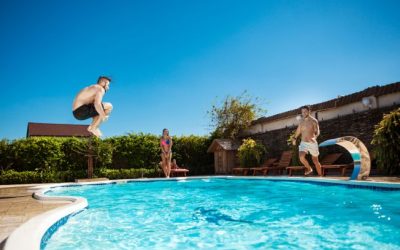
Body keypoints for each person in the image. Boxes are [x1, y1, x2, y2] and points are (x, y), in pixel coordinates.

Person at [292, 105, 322, 176]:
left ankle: (321, 176)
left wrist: (315, 137)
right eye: (302, 112)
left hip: (312, 143)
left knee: (315, 161)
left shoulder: (314, 121)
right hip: (303, 143)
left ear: (309, 111)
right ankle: (309, 168)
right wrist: (294, 138)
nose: (304, 113)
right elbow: (298, 131)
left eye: (305, 111)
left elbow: (317, 131)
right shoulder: (301, 121)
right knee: (301, 157)